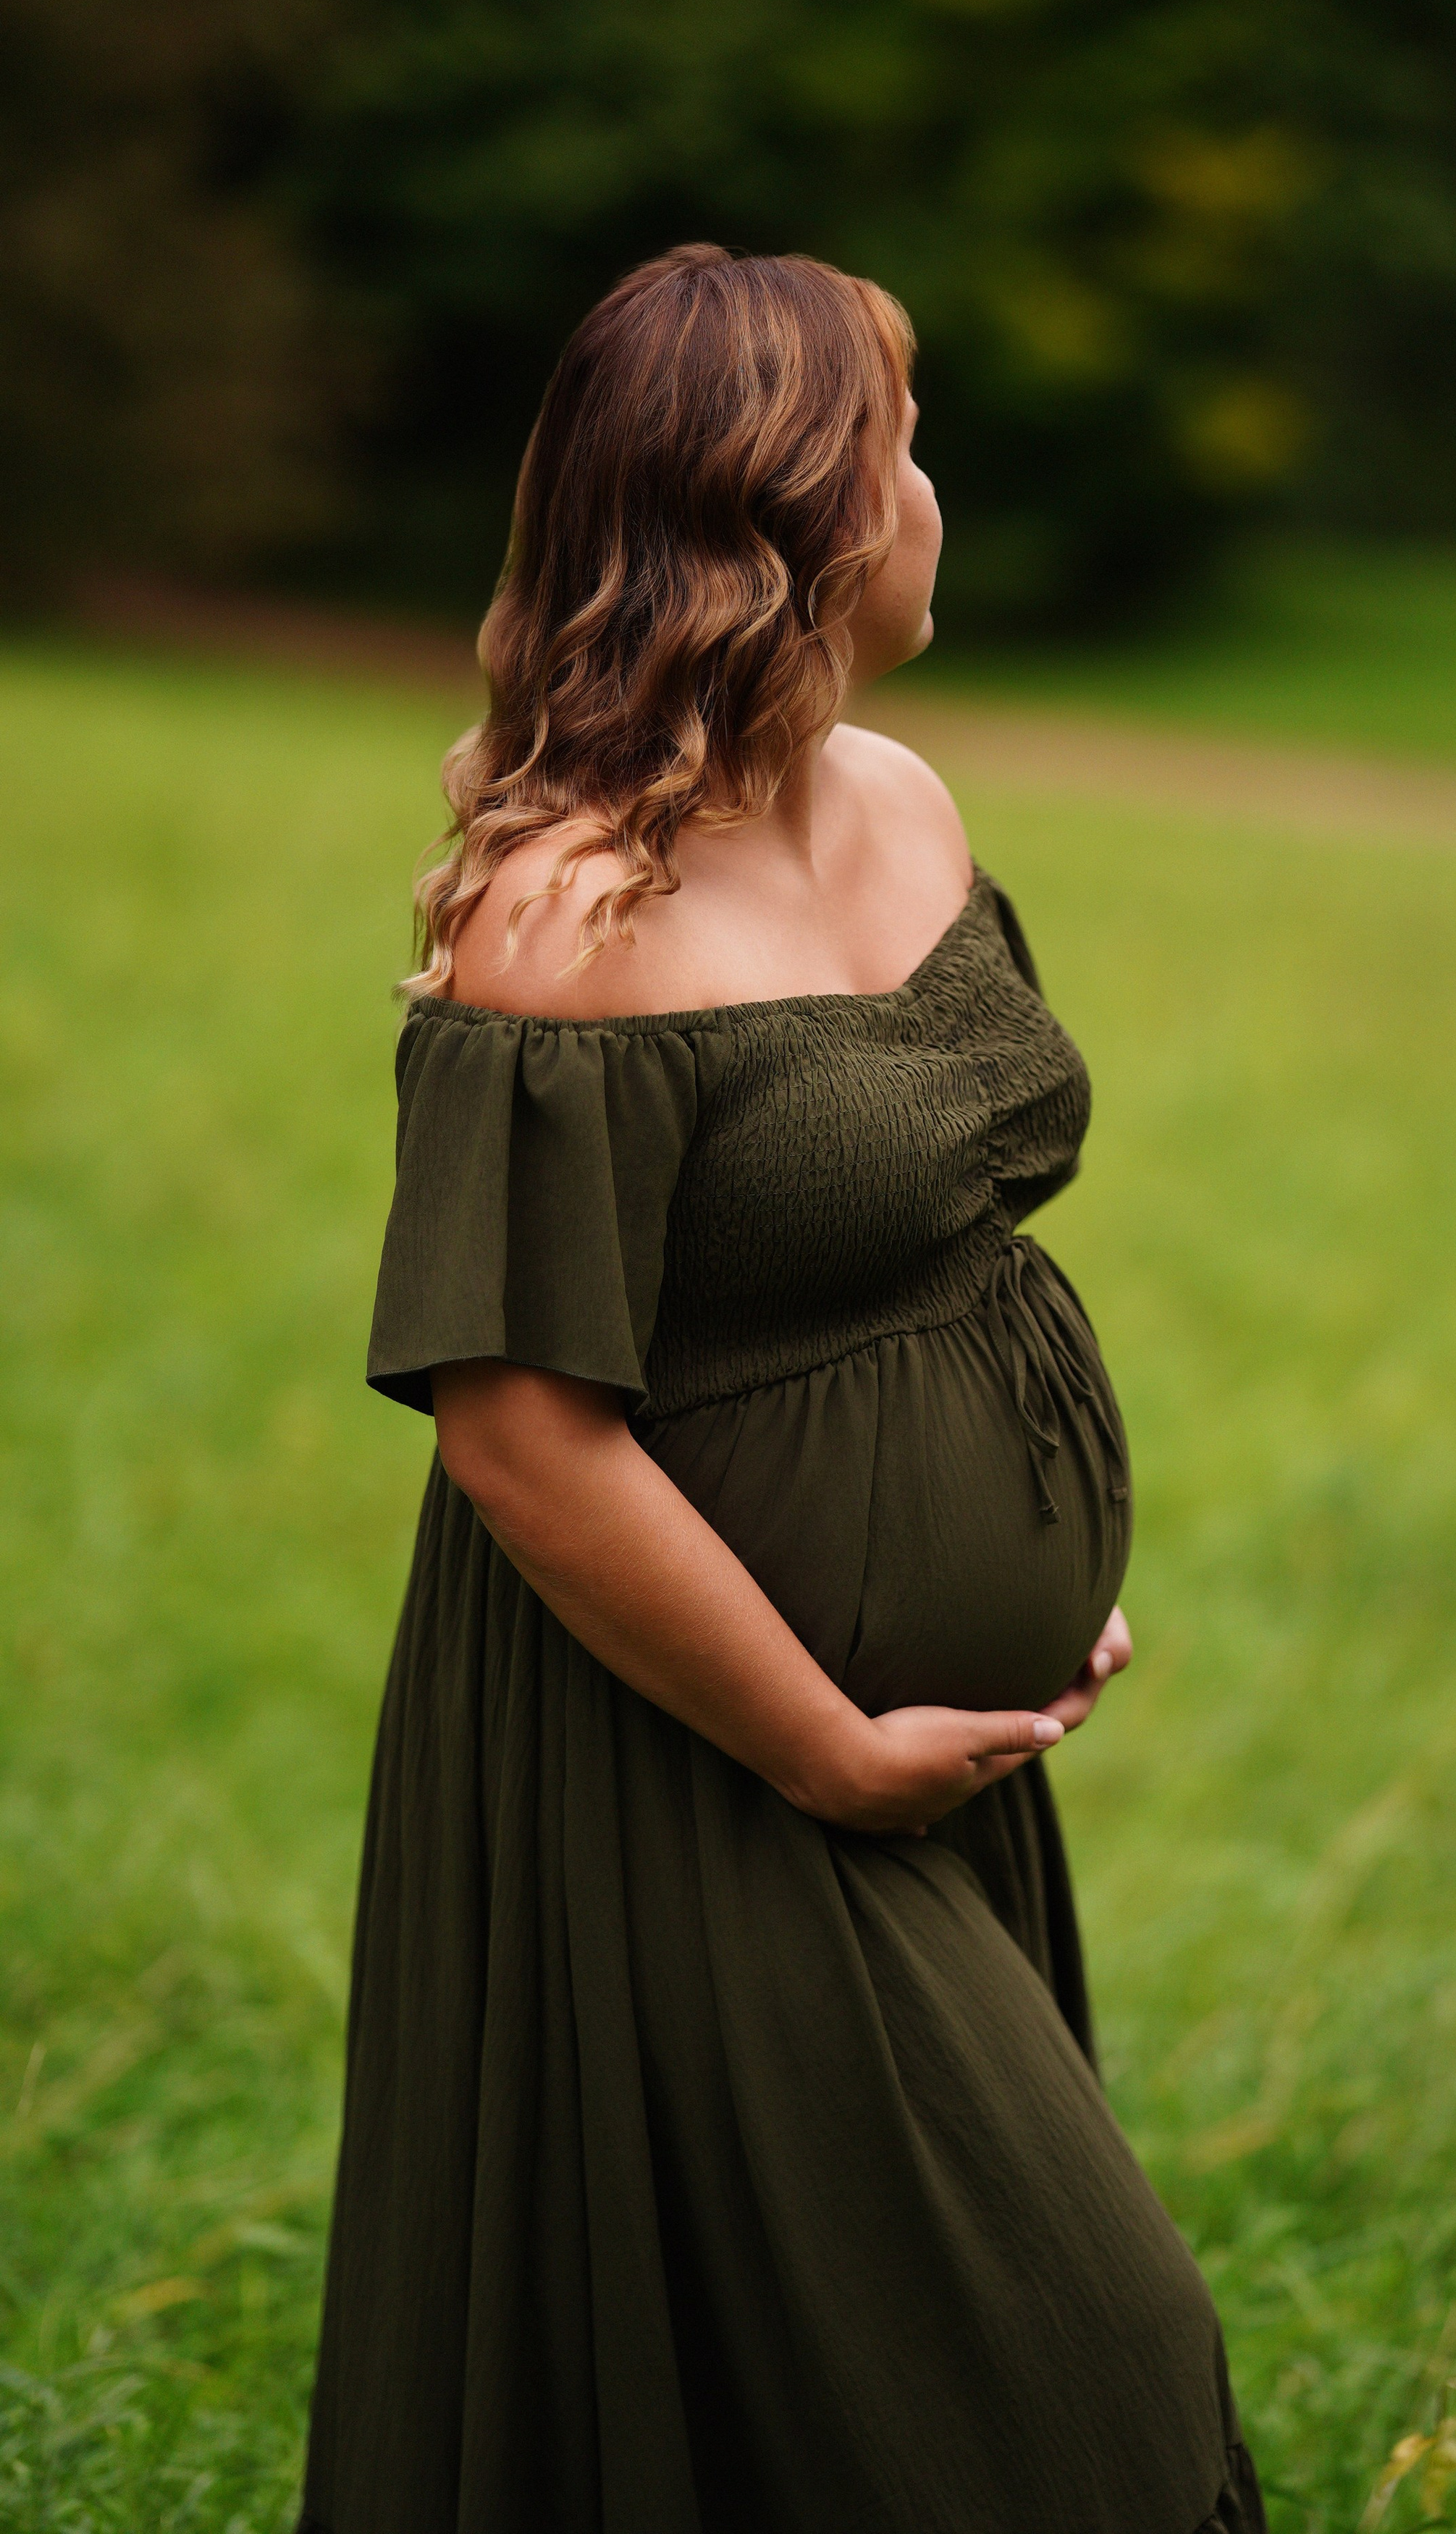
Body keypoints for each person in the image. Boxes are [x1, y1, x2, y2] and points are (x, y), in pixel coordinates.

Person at [298, 242, 1267, 2534]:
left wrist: (1029, 1579)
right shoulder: (562, 927)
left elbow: (935, 1227)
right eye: (905, 443)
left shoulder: (906, 803)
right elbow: (519, 1429)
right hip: (708, 1756)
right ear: (805, 516)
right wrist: (832, 1738)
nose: (940, 488)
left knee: (830, 2387)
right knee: (1077, 2361)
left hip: (924, 1741)